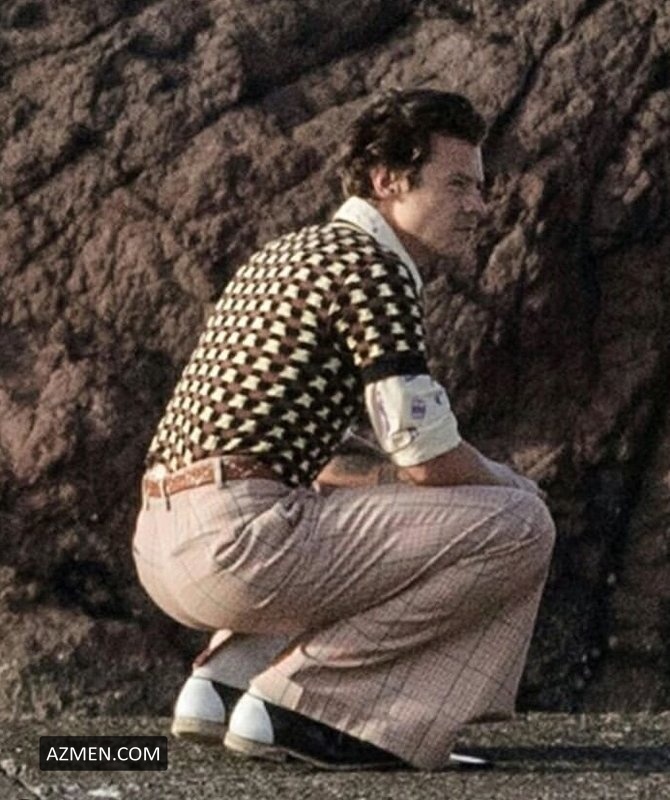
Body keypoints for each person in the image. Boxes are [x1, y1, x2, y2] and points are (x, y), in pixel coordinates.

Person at [132, 88, 555, 771]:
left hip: (162, 543)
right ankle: (309, 707)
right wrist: (510, 485)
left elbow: (323, 459)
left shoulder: (287, 254)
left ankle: (227, 682)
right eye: (457, 184)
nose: (478, 207)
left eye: (479, 188)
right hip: (238, 547)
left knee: (387, 508)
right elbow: (426, 454)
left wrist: (403, 484)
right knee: (520, 525)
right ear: (388, 180)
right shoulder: (375, 269)